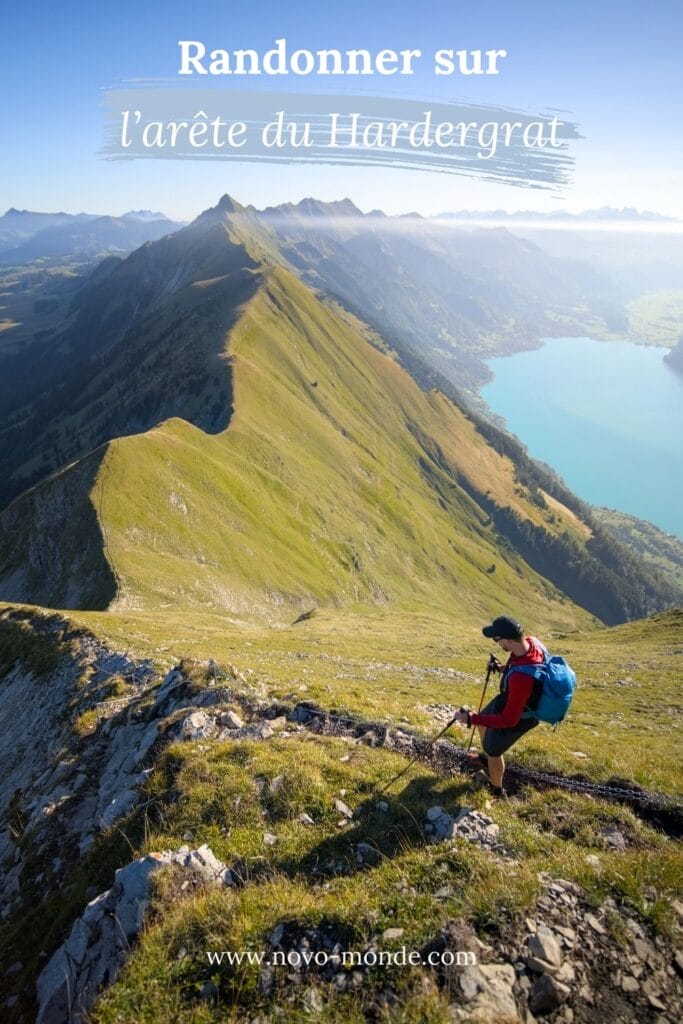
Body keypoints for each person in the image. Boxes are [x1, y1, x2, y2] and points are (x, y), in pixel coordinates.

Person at [452, 615, 545, 796]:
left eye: (497, 639)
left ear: (509, 640)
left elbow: (509, 720)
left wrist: (470, 718)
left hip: (522, 715)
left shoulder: (521, 679)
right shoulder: (530, 643)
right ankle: (487, 760)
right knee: (482, 722)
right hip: (511, 699)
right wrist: (502, 668)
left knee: (494, 749)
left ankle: (496, 789)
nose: (496, 643)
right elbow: (520, 666)